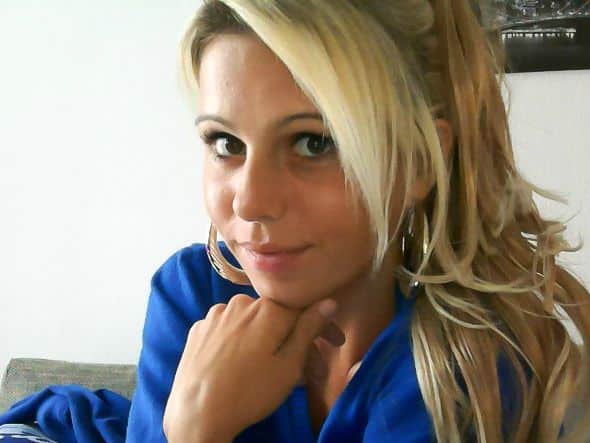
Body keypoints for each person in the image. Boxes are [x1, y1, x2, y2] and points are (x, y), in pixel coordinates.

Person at [125, 1, 590, 442]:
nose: (250, 203)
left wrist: (196, 431)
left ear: (417, 162)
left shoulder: (463, 372)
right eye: (226, 143)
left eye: (313, 143)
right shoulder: (191, 296)